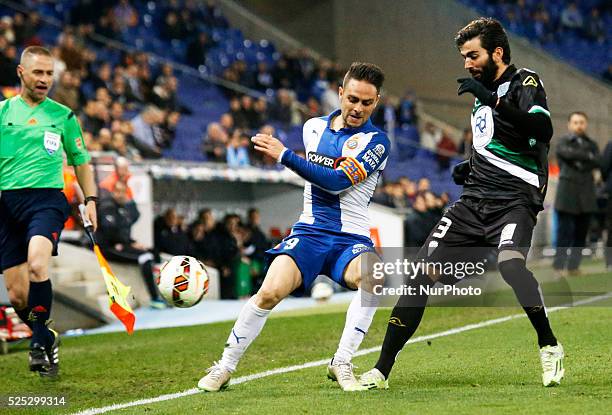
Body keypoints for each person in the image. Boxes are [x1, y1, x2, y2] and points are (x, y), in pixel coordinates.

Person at [359, 18, 563, 390]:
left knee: (511, 266)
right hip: (472, 204)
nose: (467, 63)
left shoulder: (524, 82)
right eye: (464, 57)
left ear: (496, 53)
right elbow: (501, 140)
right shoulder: (482, 93)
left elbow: (540, 131)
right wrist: (470, 165)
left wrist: (490, 98)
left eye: (473, 55)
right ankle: (380, 370)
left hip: (514, 202)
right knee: (418, 277)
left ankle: (549, 344)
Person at [198, 62, 390, 392]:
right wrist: (291, 155)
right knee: (269, 292)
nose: (358, 108)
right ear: (341, 94)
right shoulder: (313, 128)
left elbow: (336, 183)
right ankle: (225, 366)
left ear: (377, 102)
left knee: (374, 277)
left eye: (367, 102)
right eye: (353, 99)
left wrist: (285, 155)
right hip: (310, 232)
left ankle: (342, 362)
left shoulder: (377, 141)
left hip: (351, 238)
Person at [0, 46, 98, 378]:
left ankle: (38, 345)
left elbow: (81, 162)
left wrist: (92, 200)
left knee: (38, 263)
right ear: (21, 73)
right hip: (7, 203)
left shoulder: (64, 116)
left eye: (49, 73)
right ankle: (46, 335)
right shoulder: (2, 113)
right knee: (16, 294)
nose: (44, 79)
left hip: (47, 200)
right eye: (38, 73)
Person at [96, 181, 166, 309]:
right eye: (119, 192)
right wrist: (125, 243)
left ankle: (165, 291)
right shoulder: (107, 207)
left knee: (155, 253)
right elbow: (110, 230)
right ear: (113, 192)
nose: (122, 195)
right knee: (145, 257)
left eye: (124, 192)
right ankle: (154, 297)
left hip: (123, 244)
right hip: (109, 247)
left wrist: (132, 243)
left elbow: (134, 217)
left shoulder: (122, 208)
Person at [553, 112, 600, 276]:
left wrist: (577, 157)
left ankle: (574, 267)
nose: (578, 125)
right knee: (564, 232)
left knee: (581, 233)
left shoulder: (592, 144)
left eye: (581, 122)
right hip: (567, 191)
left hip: (586, 192)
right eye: (575, 122)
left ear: (585, 124)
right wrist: (586, 156)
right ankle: (558, 267)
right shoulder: (562, 141)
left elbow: (597, 161)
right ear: (569, 124)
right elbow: (564, 153)